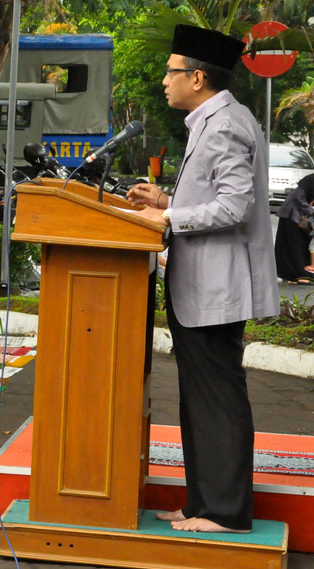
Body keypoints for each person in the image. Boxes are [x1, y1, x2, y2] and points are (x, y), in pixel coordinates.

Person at [125, 24, 278, 534]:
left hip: (216, 289)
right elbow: (213, 195)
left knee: (217, 399)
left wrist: (167, 219)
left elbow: (236, 205)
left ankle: (227, 512)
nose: (163, 81)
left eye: (170, 72)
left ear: (196, 76)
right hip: (201, 287)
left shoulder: (226, 123)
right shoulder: (212, 119)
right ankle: (203, 503)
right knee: (199, 399)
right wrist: (167, 201)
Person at [273, 174, 314, 283]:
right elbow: (297, 197)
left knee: (299, 244)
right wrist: (311, 211)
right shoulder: (311, 180)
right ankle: (299, 273)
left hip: (298, 216)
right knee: (294, 244)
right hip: (292, 215)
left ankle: (294, 273)